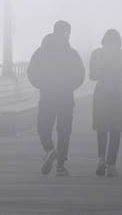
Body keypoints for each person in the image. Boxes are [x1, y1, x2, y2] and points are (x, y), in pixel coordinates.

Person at [27, 20, 85, 176]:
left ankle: (49, 149)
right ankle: (60, 165)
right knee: (64, 130)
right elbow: (81, 73)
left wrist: (42, 85)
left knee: (43, 127)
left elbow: (31, 71)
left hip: (47, 95)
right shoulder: (71, 53)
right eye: (69, 33)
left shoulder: (42, 51)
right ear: (65, 32)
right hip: (66, 95)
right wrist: (70, 86)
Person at [89, 29, 122, 177]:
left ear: (104, 40)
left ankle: (101, 158)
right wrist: (119, 70)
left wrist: (103, 70)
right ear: (119, 41)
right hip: (118, 94)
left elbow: (92, 76)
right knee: (116, 130)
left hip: (101, 93)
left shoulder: (97, 54)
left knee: (102, 129)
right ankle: (111, 164)